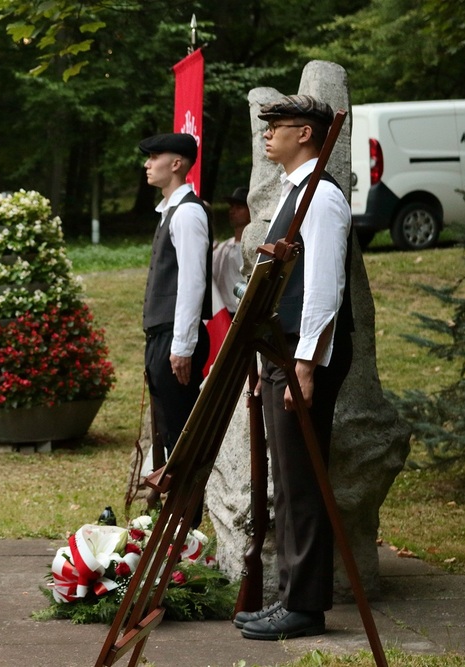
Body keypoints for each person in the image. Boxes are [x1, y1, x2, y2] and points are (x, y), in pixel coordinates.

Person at [233, 94, 353, 640]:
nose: (268, 135)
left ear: (304, 133)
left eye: (277, 127)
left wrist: (305, 365)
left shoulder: (321, 198)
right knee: (288, 476)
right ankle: (291, 595)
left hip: (304, 355)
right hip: (282, 352)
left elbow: (324, 287)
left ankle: (304, 606)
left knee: (301, 481)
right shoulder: (295, 193)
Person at [139, 133, 213, 468]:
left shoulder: (187, 213)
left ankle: (187, 516)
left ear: (176, 164)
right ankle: (173, 514)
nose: (147, 164)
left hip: (175, 338)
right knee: (168, 433)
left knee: (183, 435)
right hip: (163, 337)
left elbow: (192, 283)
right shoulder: (170, 212)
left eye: (154, 157)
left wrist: (182, 346)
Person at [211, 186, 250, 315]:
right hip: (221, 314)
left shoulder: (254, 248)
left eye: (239, 207)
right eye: (232, 207)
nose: (232, 211)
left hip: (242, 314)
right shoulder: (222, 248)